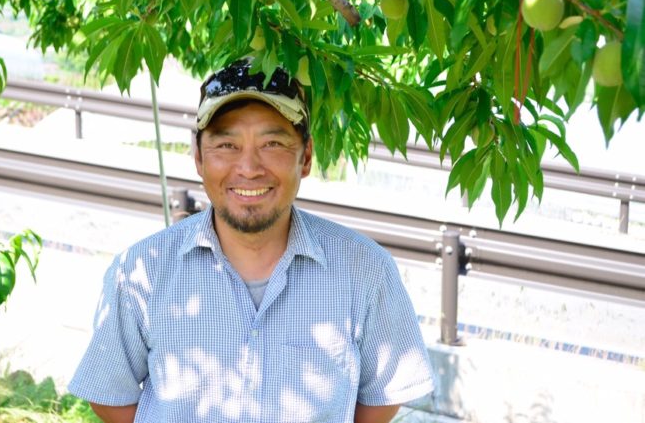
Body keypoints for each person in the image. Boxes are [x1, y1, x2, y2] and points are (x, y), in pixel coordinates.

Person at [68, 59, 435, 423]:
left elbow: (382, 397)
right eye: (226, 145)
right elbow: (110, 396)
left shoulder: (365, 270)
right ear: (197, 156)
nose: (248, 167)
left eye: (272, 142)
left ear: (305, 157)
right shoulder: (141, 271)